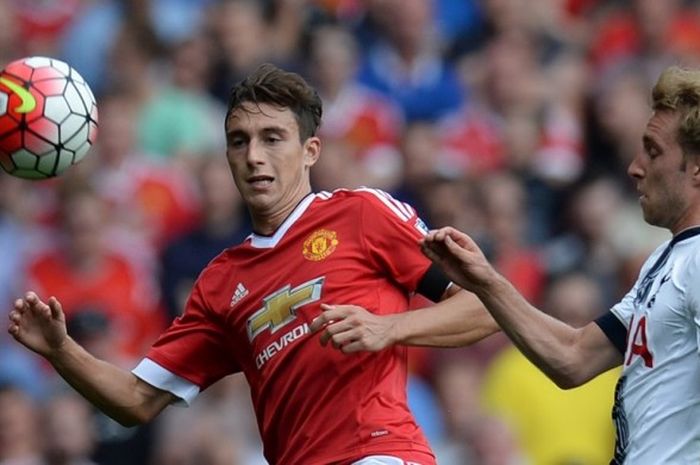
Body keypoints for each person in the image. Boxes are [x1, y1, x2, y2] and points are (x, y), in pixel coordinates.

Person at [7, 63, 497, 465]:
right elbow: (137, 399)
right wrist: (60, 350)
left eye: (272, 138)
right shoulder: (221, 282)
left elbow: (484, 306)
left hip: (381, 454)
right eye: (239, 141)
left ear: (310, 152)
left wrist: (389, 329)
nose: (253, 155)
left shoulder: (362, 214)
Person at [422, 65, 700, 464]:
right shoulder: (666, 259)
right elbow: (572, 357)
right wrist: (487, 282)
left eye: (653, 151)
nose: (635, 167)